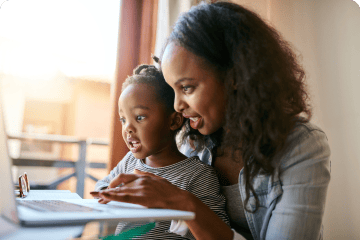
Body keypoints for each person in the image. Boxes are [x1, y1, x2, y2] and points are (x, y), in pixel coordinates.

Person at [98, 2, 331, 240]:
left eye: (187, 87)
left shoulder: (301, 147)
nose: (177, 105)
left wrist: (182, 202)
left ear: (235, 76)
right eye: (172, 90)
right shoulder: (189, 143)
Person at [91, 64, 229, 239]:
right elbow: (101, 188)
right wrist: (112, 193)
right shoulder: (129, 162)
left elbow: (217, 228)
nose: (128, 128)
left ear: (174, 121)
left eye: (139, 117)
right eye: (123, 120)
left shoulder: (198, 175)